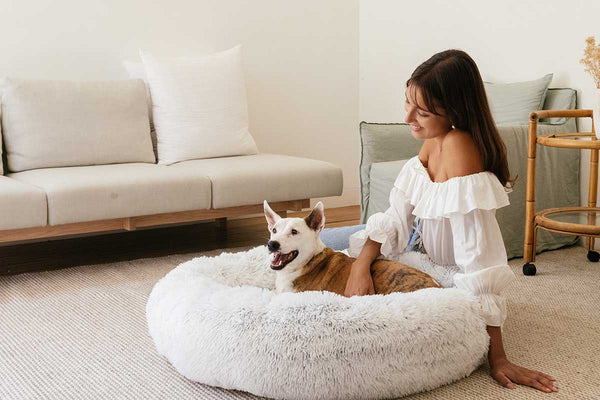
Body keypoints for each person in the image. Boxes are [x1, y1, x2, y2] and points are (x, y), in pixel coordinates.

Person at [344, 49, 558, 393]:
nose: (408, 117)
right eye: (408, 103)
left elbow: (479, 255)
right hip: (420, 253)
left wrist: (499, 357)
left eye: (422, 111)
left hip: (452, 280)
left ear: (454, 111)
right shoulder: (432, 143)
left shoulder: (460, 146)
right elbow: (396, 216)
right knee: (327, 246)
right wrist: (361, 265)